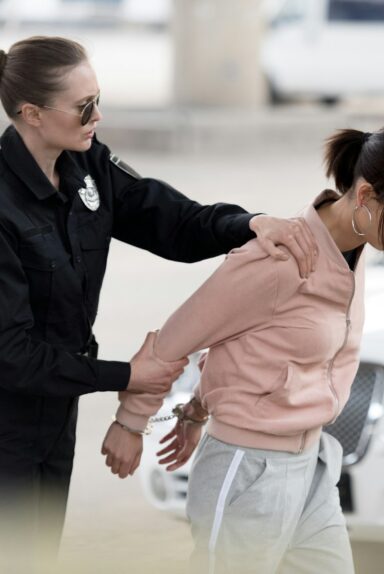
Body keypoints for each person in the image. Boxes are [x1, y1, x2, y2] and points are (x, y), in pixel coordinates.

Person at [0, 36, 318, 567]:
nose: (98, 115)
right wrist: (126, 376)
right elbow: (10, 352)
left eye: (99, 99)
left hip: (54, 410)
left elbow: (173, 223)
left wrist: (250, 223)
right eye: (84, 107)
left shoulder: (87, 165)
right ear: (31, 113)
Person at [101, 121, 384, 573]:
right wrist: (132, 422)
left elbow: (258, 341)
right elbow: (176, 340)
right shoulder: (278, 260)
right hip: (247, 470)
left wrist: (198, 408)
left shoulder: (356, 253)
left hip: (312, 465)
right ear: (367, 197)